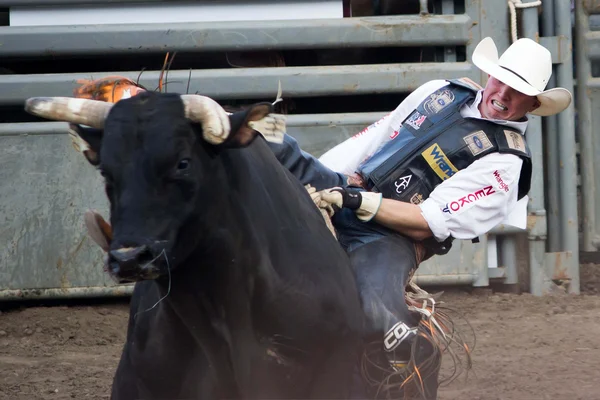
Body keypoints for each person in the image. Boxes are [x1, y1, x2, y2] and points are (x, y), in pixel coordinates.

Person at [267, 36, 573, 399]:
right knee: (271, 147)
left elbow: (429, 220)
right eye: (500, 79)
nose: (502, 94)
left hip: (386, 238)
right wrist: (323, 178)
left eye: (517, 90)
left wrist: (356, 201)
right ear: (488, 74)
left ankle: (413, 363)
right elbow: (380, 135)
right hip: (346, 189)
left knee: (376, 311)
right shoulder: (439, 91)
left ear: (533, 103)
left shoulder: (505, 165)